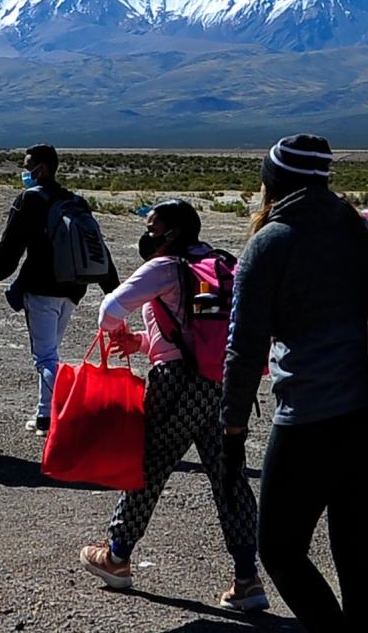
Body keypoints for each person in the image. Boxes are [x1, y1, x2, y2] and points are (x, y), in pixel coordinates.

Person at [219, 135, 368, 632]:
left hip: (314, 418)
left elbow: (244, 349)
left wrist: (231, 431)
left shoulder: (272, 241)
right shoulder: (364, 229)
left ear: (274, 181)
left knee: (280, 549)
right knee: (357, 553)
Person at [77, 200, 269, 612]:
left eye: (153, 227)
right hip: (225, 385)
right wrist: (144, 343)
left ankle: (118, 556)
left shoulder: (164, 267)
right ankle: (247, 578)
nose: (147, 233)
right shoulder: (220, 264)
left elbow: (109, 310)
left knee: (149, 466)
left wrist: (118, 331)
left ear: (174, 231)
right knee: (229, 474)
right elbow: (198, 336)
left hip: (178, 387)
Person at [0, 144, 119, 437]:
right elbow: (99, 249)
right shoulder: (75, 200)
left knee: (45, 356)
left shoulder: (30, 200)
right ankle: (47, 411)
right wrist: (113, 291)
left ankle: (48, 416)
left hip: (41, 287)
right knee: (51, 351)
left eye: (27, 166)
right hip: (73, 289)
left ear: (41, 168)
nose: (24, 172)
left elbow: (10, 250)